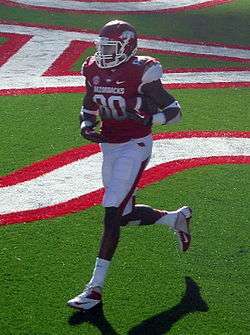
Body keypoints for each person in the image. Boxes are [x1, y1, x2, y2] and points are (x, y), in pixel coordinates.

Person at [67, 20, 192, 312]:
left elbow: (174, 111)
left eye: (110, 47)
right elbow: (89, 105)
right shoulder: (93, 68)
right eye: (102, 47)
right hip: (109, 146)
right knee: (122, 215)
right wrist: (87, 124)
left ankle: (94, 289)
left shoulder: (142, 71)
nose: (104, 53)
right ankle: (175, 219)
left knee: (111, 211)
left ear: (127, 46)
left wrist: (150, 120)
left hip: (134, 146)